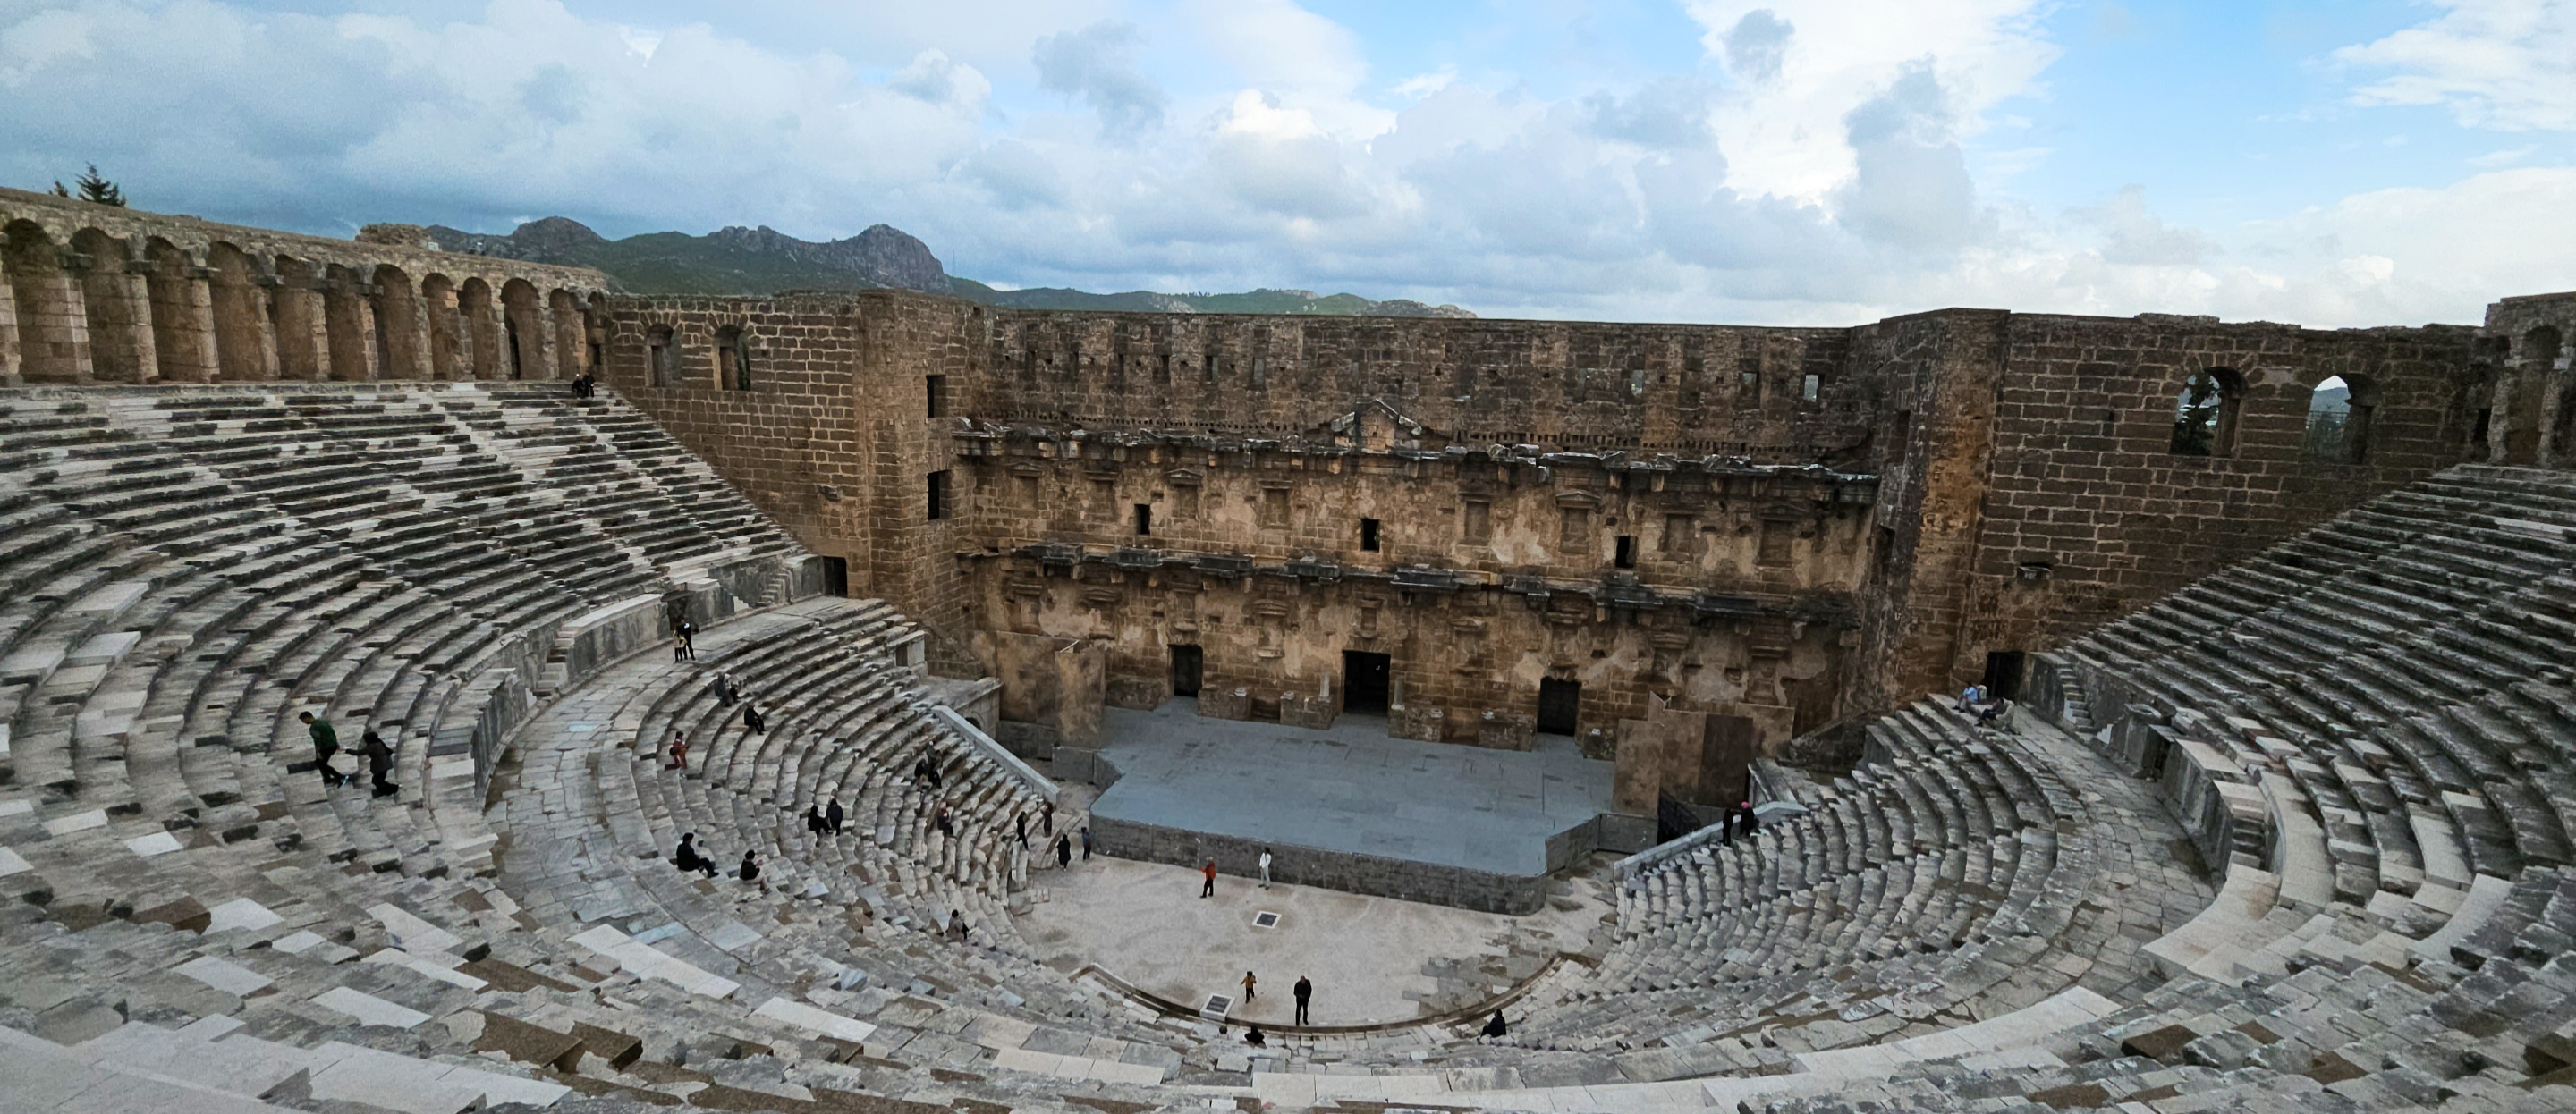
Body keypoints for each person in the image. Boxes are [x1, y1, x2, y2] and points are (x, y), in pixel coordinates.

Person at [301, 711, 345, 788]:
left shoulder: (314, 727)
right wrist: (336, 743)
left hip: (327, 747)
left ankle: (340, 777)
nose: (303, 722)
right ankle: (328, 779)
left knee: (321, 764)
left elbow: (317, 741)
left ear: (307, 718)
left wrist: (317, 753)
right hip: (333, 745)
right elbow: (332, 732)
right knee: (321, 763)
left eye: (303, 720)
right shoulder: (323, 723)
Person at [360, 729, 398, 798]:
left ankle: (391, 789)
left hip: (382, 766)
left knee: (377, 780)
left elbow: (360, 752)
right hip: (384, 765)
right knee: (378, 780)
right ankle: (390, 789)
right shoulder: (378, 742)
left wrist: (347, 751)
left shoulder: (373, 746)